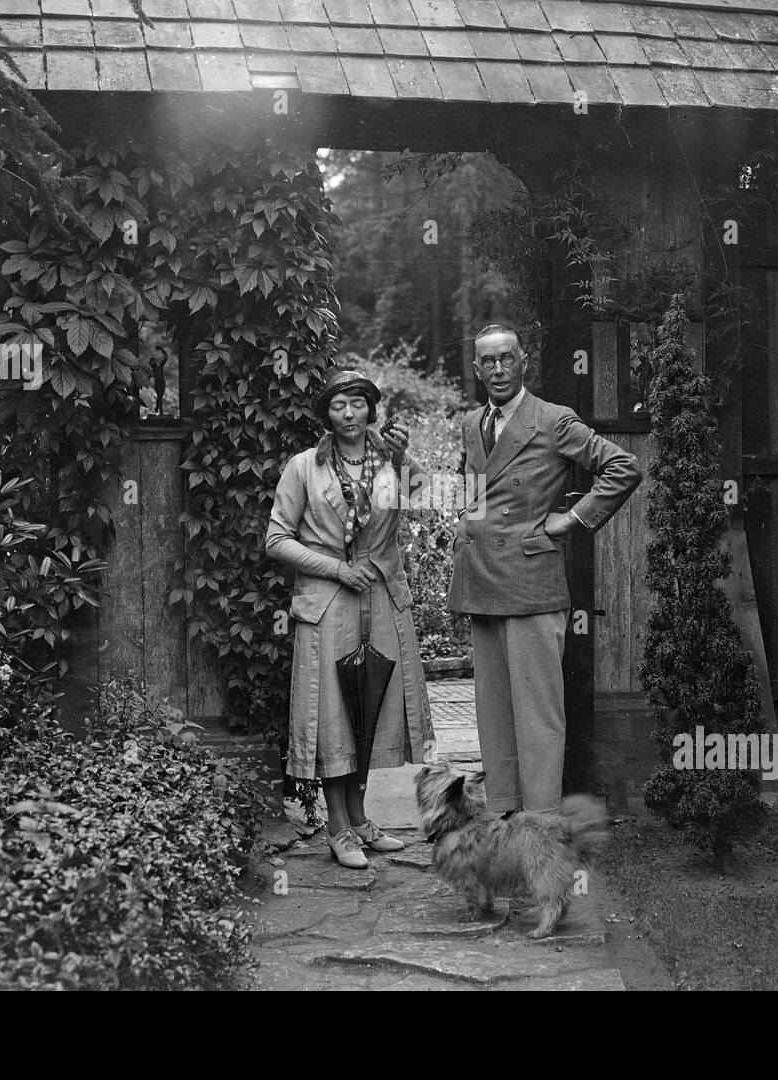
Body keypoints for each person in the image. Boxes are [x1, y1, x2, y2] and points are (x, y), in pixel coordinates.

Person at [448, 324, 643, 815]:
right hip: (482, 581)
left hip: (531, 583)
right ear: (476, 368)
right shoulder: (472, 423)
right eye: (487, 361)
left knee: (538, 718)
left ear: (524, 362)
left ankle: (540, 830)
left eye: (506, 358)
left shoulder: (554, 420)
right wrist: (461, 522)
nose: (497, 369)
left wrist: (571, 520)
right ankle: (506, 820)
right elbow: (473, 489)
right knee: (495, 715)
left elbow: (623, 467)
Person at [266, 368, 435, 869]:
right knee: (334, 713)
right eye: (339, 406)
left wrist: (403, 458)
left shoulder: (387, 461)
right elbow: (277, 539)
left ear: (371, 410)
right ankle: (338, 827)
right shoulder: (303, 468)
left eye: (358, 404)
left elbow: (425, 494)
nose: (349, 414)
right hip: (328, 602)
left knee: (373, 704)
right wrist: (338, 569)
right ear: (327, 414)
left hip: (381, 596)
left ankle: (361, 818)